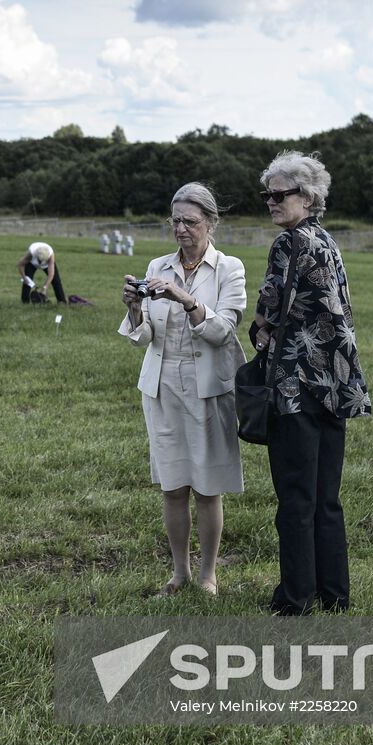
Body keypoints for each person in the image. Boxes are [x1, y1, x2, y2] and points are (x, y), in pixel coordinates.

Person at [250, 152, 371, 615]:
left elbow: (267, 314)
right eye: (267, 195)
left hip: (296, 388)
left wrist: (261, 331)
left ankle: (295, 598)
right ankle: (335, 595)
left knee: (296, 501)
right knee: (326, 499)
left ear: (307, 196)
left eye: (279, 195)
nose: (271, 202)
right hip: (335, 386)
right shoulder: (328, 241)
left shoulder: (288, 245)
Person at [119, 183, 247, 596]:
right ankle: (179, 573)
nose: (181, 229)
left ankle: (208, 574)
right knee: (173, 487)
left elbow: (223, 331)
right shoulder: (158, 265)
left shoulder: (230, 269)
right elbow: (143, 338)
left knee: (207, 488)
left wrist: (184, 297)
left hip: (209, 391)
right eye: (175, 220)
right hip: (162, 389)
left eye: (190, 222)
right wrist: (135, 308)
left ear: (210, 223)